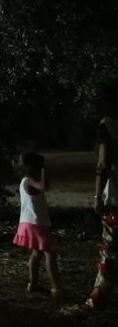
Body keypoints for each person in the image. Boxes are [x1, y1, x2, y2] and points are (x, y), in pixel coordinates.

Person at [13, 152, 62, 299]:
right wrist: (44, 172)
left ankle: (33, 283)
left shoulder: (25, 181)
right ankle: (56, 288)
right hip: (36, 224)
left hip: (29, 223)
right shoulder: (28, 181)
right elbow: (44, 187)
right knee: (50, 254)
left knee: (36, 253)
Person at [87, 85, 118, 309]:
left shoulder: (107, 126)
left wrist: (98, 195)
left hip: (116, 196)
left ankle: (97, 299)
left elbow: (103, 164)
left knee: (110, 249)